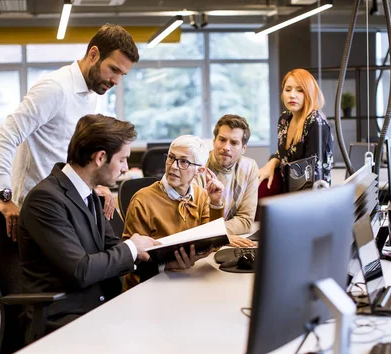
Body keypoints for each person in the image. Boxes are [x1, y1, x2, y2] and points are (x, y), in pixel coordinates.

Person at [0, 24, 139, 241]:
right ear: (94, 54)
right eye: (114, 69)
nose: (116, 81)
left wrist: (94, 185)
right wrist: (3, 196)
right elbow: (4, 137)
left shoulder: (92, 93)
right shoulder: (54, 89)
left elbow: (73, 152)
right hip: (37, 205)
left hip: (66, 199)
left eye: (122, 74)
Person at [18, 114, 158, 338]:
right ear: (101, 157)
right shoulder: (45, 199)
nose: (125, 168)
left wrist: (166, 256)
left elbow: (113, 247)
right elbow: (80, 270)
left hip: (98, 306)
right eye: (122, 160)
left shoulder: (88, 193)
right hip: (64, 317)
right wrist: (132, 247)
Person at [122, 135, 225, 285]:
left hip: (187, 278)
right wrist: (167, 265)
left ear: (199, 170)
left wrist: (216, 203)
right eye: (171, 158)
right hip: (148, 284)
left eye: (184, 161)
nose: (174, 166)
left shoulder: (202, 195)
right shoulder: (142, 200)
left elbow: (212, 244)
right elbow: (130, 260)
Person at [258, 68, 333, 191]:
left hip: (309, 198)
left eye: (300, 90)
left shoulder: (316, 123)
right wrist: (271, 163)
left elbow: (314, 173)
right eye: (288, 90)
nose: (292, 95)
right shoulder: (284, 119)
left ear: (309, 93)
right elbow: (283, 155)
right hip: (286, 193)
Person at [196, 114, 259, 247]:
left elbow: (246, 220)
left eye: (234, 143)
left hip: (226, 241)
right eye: (222, 140)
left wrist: (217, 234)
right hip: (199, 245)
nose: (226, 147)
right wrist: (219, 236)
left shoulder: (249, 167)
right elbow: (192, 224)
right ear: (214, 141)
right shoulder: (197, 166)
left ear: (243, 149)